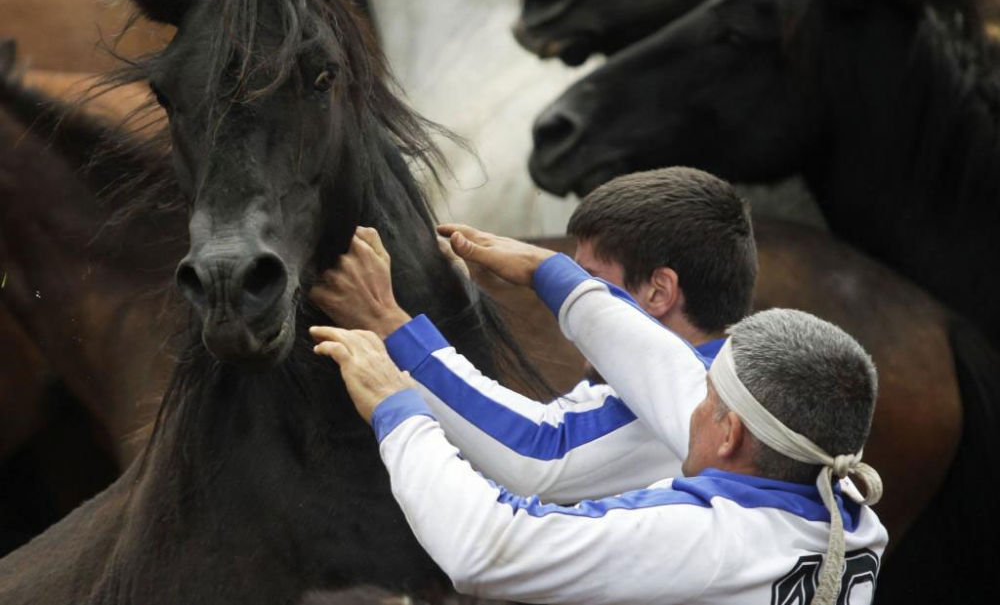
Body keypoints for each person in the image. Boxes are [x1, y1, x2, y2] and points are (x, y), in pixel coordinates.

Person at [309, 227, 886, 604]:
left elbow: (486, 546)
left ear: (731, 433)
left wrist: (398, 409)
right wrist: (553, 275)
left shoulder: (706, 540)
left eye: (708, 399)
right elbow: (667, 374)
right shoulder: (848, 512)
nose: (690, 404)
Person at [309, 167, 758, 502]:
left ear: (659, 291)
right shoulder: (721, 382)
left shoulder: (704, 405)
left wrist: (384, 319)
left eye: (591, 279)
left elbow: (538, 453)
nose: (579, 296)